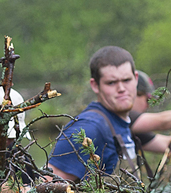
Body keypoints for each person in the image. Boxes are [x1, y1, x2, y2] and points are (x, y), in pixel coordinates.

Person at [47, 46, 141, 183]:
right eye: (111, 83)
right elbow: (46, 189)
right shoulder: (89, 127)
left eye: (126, 80)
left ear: (136, 78)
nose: (121, 89)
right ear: (95, 85)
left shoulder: (118, 120)